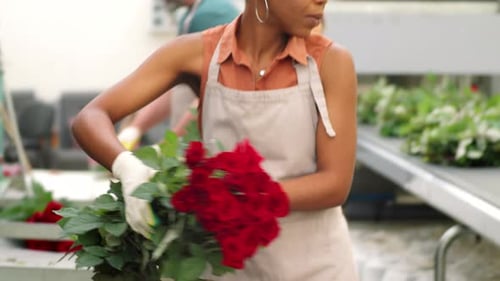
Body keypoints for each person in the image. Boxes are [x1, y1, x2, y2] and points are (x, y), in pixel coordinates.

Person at [72, 0, 359, 279]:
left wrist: (232, 198)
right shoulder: (198, 54)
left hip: (317, 266)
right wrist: (128, 167)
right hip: (226, 266)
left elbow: (334, 185)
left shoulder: (330, 63)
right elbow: (90, 118)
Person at [118, 0, 240, 149]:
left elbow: (213, 92)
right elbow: (179, 83)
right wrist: (134, 130)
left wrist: (169, 144)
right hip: (193, 143)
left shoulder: (212, 14)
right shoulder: (190, 16)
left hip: (215, 142)